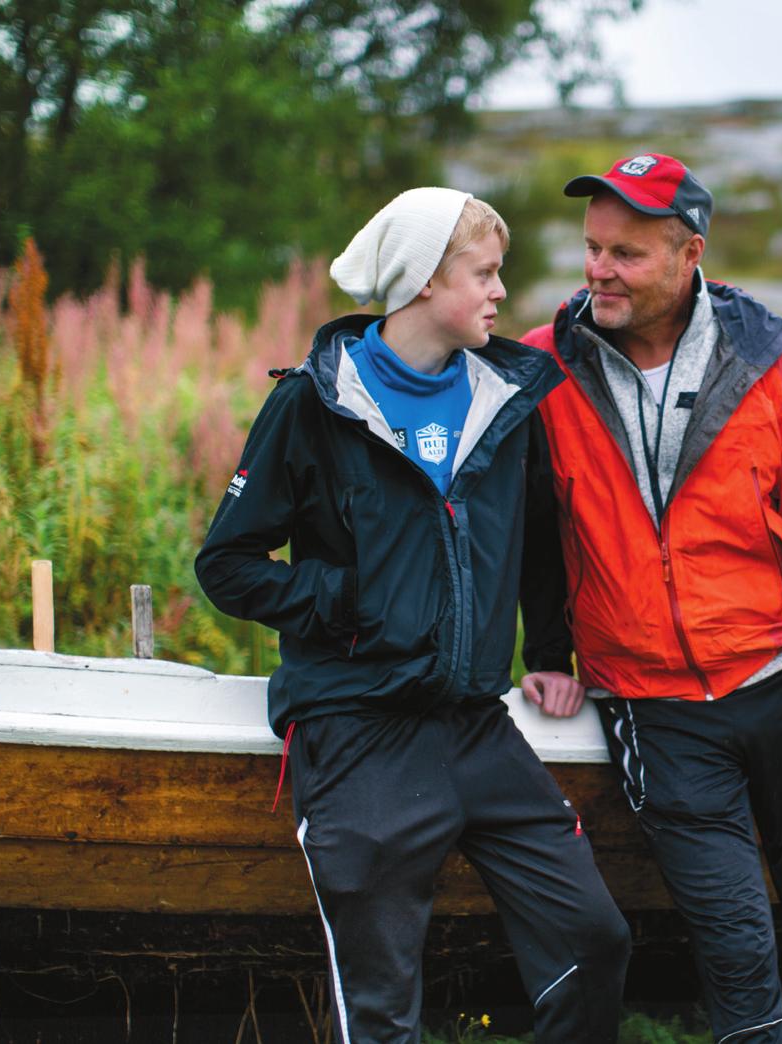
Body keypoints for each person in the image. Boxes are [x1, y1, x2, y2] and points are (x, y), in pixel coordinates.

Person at [194, 187, 630, 1044]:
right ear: (426, 282)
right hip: (358, 732)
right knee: (382, 1006)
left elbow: (539, 540)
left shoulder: (506, 401)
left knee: (594, 935)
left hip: (476, 727)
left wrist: (548, 651)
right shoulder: (314, 404)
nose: (503, 294)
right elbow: (229, 565)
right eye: (485, 273)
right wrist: (348, 604)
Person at [519, 154, 782, 1044]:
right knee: (736, 945)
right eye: (592, 248)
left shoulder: (768, 355)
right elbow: (529, 530)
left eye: (627, 255)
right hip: (653, 707)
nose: (598, 271)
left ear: (690, 253)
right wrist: (544, 653)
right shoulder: (543, 366)